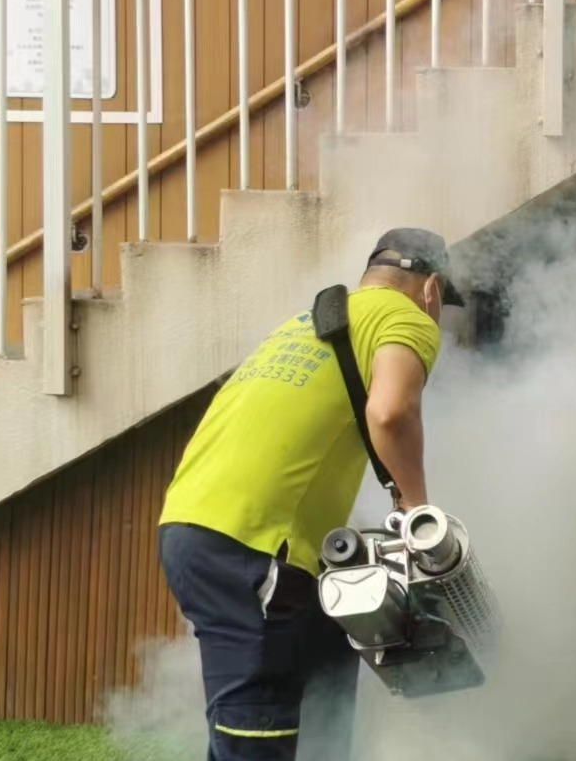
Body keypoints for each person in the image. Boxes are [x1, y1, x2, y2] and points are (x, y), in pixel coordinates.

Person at [158, 228, 465, 761]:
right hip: (253, 542)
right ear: (431, 288)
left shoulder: (304, 324)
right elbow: (390, 413)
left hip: (195, 529)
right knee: (255, 737)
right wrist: (417, 512)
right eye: (440, 304)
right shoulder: (406, 316)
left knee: (324, 670)